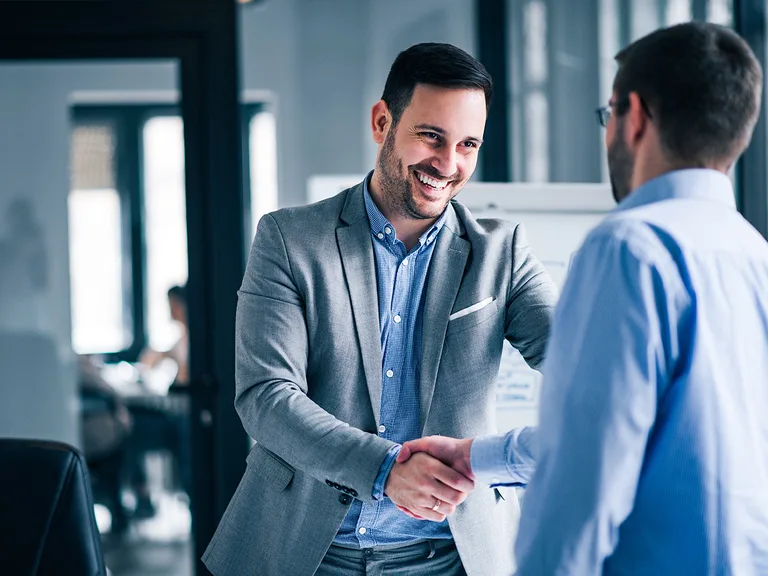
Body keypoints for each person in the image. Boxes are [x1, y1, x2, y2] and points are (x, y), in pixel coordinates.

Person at [399, 22, 768, 574]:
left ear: (635, 115)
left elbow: (585, 470)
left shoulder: (629, 247)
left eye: (609, 114)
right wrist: (477, 456)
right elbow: (623, 428)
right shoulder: (754, 254)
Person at [203, 43, 557, 576]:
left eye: (467, 144)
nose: (448, 163)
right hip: (306, 551)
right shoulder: (289, 239)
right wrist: (386, 469)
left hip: (452, 558)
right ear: (382, 121)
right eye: (431, 136)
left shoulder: (500, 254)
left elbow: (584, 364)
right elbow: (266, 396)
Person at [139, 284, 189, 387]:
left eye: (175, 306)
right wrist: (161, 355)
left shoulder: (195, 338)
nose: (171, 312)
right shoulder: (182, 336)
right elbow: (171, 353)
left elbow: (184, 377)